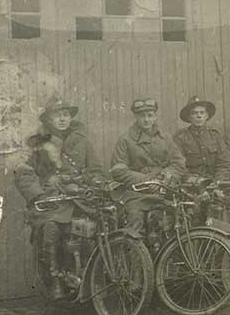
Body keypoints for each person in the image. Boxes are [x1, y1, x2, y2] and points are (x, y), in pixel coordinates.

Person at [14, 98, 103, 299]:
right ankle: (54, 278)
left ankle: (92, 277)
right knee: (51, 228)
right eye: (57, 115)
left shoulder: (82, 140)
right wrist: (38, 195)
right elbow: (23, 172)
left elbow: (97, 169)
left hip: (81, 197)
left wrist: (94, 182)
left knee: (99, 226)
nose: (63, 119)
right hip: (51, 199)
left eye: (66, 114)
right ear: (49, 119)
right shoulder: (38, 144)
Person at [109, 98, 186, 238]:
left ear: (155, 117)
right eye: (142, 116)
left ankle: (169, 257)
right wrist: (148, 180)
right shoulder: (126, 140)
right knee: (135, 222)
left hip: (163, 190)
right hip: (136, 193)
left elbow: (179, 163)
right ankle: (136, 257)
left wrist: (166, 175)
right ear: (136, 117)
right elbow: (118, 170)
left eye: (150, 115)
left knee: (174, 222)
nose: (146, 120)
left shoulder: (165, 138)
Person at [173, 96, 230, 181]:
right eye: (194, 113)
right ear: (189, 117)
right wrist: (190, 179)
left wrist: (219, 181)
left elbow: (224, 162)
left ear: (207, 116)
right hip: (191, 185)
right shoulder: (181, 137)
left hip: (214, 182)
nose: (199, 116)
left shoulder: (215, 136)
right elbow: (178, 165)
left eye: (202, 113)